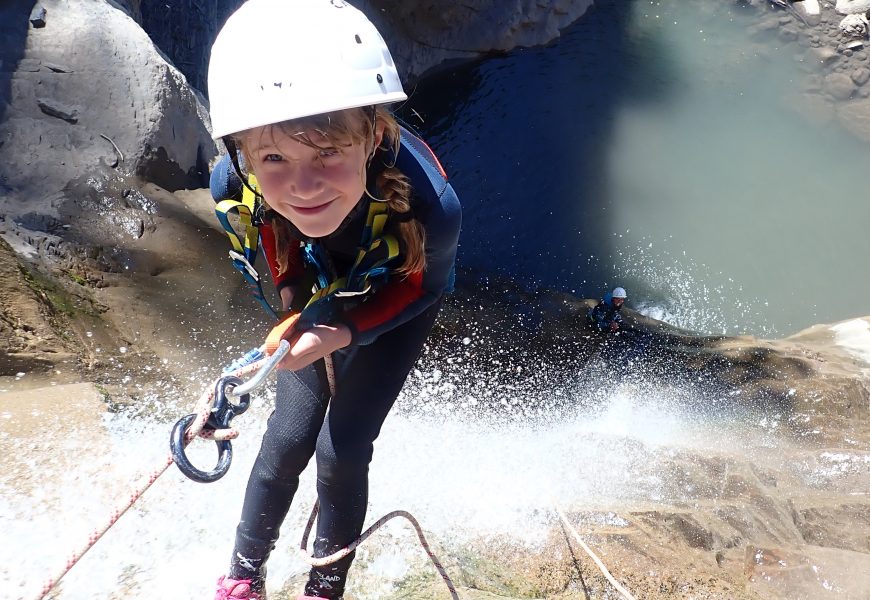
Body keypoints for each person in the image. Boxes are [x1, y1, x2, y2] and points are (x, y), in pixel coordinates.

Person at [206, 1, 462, 599]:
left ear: (371, 135)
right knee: (287, 438)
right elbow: (279, 262)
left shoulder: (430, 203)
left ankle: (325, 587)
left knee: (341, 446)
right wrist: (302, 311)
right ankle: (243, 576)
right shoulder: (234, 189)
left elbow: (423, 285)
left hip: (395, 297)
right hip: (320, 295)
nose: (303, 184)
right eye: (274, 158)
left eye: (327, 152)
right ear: (242, 152)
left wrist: (343, 332)